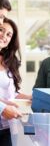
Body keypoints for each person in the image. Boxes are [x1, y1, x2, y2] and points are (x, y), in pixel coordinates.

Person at [0, 18, 32, 146]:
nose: (4, 36)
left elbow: (12, 94)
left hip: (8, 127)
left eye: (9, 35)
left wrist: (29, 97)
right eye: (1, 30)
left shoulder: (9, 61)